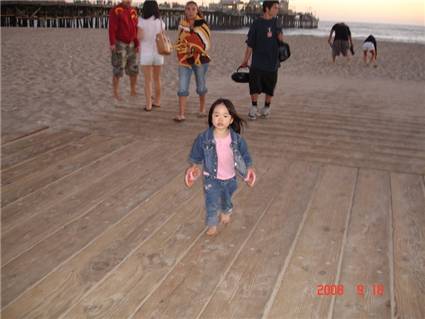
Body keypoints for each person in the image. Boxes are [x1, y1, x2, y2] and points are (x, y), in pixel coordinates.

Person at [185, 98, 256, 236]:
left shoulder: (236, 139)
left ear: (231, 120)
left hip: (230, 178)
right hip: (211, 178)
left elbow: (245, 154)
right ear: (211, 117)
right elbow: (196, 153)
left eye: (225, 116)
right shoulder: (204, 138)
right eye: (216, 115)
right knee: (211, 201)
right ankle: (212, 224)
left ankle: (226, 210)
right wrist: (194, 166)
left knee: (226, 198)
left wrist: (249, 168)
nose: (220, 119)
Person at [240, 0, 283, 120]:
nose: (277, 10)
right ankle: (254, 108)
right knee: (254, 86)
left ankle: (266, 108)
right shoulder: (256, 23)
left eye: (277, 8)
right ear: (267, 9)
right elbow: (250, 44)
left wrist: (279, 31)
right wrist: (245, 60)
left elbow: (281, 40)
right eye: (275, 8)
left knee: (270, 87)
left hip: (272, 62)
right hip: (257, 62)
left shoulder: (276, 22)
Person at [174, 1, 211, 122]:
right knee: (182, 86)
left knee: (201, 86)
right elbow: (179, 41)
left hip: (200, 59)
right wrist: (183, 49)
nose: (190, 11)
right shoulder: (182, 24)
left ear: (197, 10)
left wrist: (193, 46)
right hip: (184, 59)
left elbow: (206, 43)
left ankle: (202, 108)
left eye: (193, 9)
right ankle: (181, 113)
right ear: (185, 11)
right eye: (188, 9)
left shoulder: (203, 25)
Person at [108, 0, 139, 100]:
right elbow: (112, 28)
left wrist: (137, 43)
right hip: (120, 43)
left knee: (133, 69)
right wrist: (112, 43)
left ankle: (133, 91)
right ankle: (115, 93)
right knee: (118, 69)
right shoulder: (116, 10)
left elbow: (136, 28)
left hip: (132, 43)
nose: (128, 1)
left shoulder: (133, 11)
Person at [137, 1, 165, 111]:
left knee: (148, 80)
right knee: (157, 79)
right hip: (158, 52)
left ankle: (148, 105)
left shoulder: (142, 21)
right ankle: (157, 101)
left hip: (146, 53)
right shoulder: (160, 22)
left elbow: (139, 36)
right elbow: (162, 36)